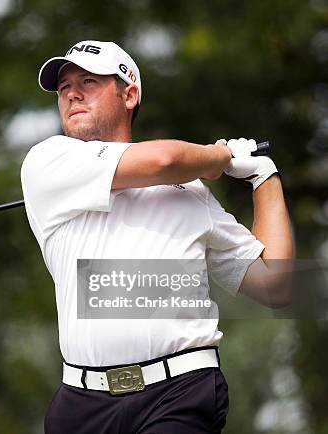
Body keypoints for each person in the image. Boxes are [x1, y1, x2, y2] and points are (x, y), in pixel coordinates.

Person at [20, 40, 294, 434]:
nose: (72, 94)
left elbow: (275, 284)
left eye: (88, 81)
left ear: (129, 93)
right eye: (64, 88)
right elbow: (163, 160)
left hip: (180, 395)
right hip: (80, 406)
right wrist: (220, 157)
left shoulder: (193, 193)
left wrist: (263, 176)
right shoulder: (47, 161)